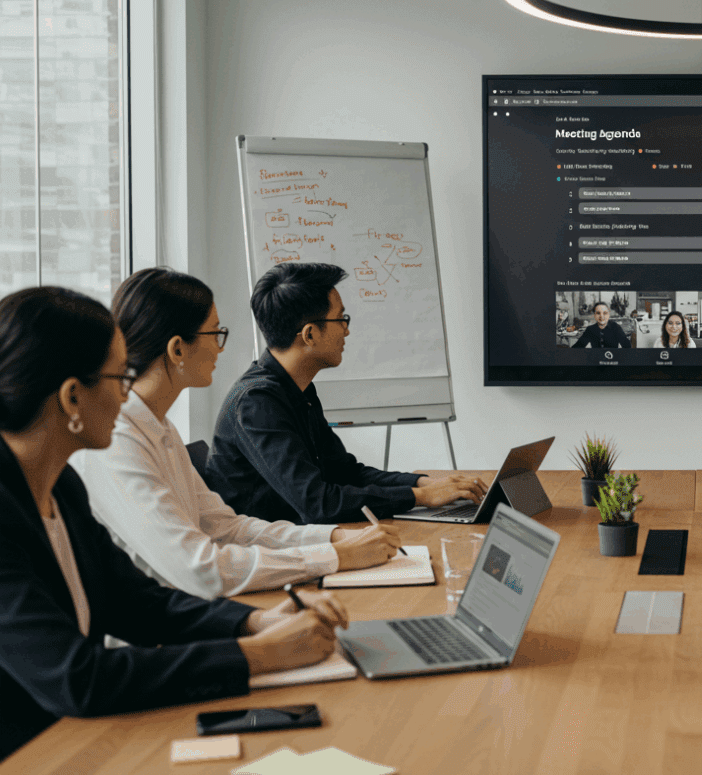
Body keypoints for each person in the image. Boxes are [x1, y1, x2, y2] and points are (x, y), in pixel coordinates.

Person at [0, 286, 350, 761]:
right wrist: (261, 654)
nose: (130, 393)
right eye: (121, 377)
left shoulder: (60, 486)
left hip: (75, 736)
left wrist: (254, 620)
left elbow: (135, 599)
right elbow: (78, 677)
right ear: (71, 397)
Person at [70, 269, 401, 599]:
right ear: (177, 350)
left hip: (191, 610)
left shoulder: (158, 426)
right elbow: (201, 570)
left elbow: (226, 528)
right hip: (159, 631)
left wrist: (334, 539)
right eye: (215, 333)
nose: (220, 348)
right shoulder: (117, 442)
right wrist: (335, 556)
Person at [205, 263, 486, 524]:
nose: (347, 331)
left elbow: (346, 472)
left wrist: (422, 484)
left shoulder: (298, 389)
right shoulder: (256, 403)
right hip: (269, 556)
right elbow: (317, 503)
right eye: (341, 319)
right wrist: (419, 498)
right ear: (310, 334)